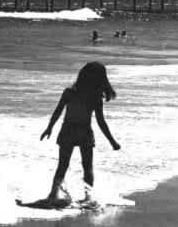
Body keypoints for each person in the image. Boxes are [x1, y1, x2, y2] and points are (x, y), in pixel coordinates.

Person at [38, 62, 121, 204]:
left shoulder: (70, 92)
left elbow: (58, 112)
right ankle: (88, 198)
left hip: (68, 131)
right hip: (84, 132)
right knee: (87, 167)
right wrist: (112, 141)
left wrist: (50, 127)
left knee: (63, 165)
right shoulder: (95, 96)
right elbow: (101, 122)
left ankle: (53, 195)